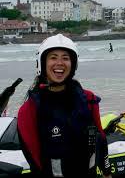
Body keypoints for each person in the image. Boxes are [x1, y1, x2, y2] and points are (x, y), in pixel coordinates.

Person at [17, 34, 112, 178]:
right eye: (53, 57)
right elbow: (34, 159)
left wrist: (107, 173)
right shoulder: (29, 110)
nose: (60, 63)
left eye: (65, 58)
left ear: (73, 64)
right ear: (42, 63)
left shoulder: (88, 99)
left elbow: (101, 138)